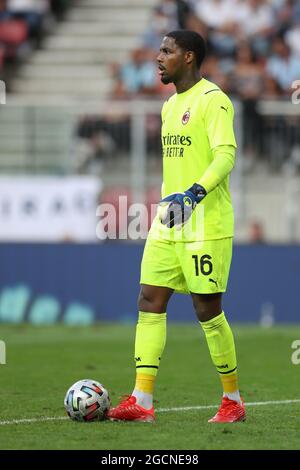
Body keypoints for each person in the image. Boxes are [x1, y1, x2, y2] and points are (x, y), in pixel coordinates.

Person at [107, 30, 245, 424]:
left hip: (205, 223)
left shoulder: (213, 100)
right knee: (149, 299)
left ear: (188, 57)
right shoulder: (170, 107)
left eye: (167, 51)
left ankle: (232, 400)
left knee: (207, 311)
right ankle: (142, 400)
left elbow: (226, 155)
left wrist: (194, 193)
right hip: (168, 223)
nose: (158, 57)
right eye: (159, 50)